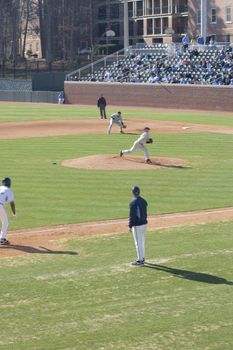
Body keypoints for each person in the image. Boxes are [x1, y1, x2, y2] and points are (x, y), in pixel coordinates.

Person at [129, 186, 148, 266]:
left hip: (137, 225)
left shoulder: (133, 202)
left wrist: (130, 225)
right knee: (142, 242)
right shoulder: (144, 201)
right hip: (144, 224)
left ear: (133, 192)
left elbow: (132, 215)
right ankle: (142, 257)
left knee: (138, 243)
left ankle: (140, 261)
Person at [0, 177, 16, 245]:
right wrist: (14, 213)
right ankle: (2, 239)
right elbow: (12, 203)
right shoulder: (9, 190)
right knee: (5, 221)